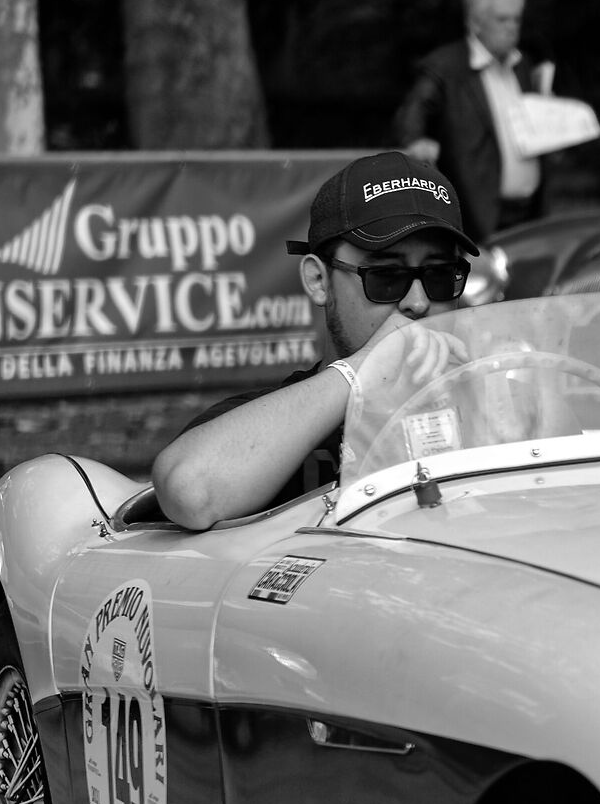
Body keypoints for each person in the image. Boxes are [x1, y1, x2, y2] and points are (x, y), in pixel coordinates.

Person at [150, 152, 479, 530]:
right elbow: (190, 491)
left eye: (440, 275)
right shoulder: (267, 422)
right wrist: (364, 369)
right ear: (319, 281)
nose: (418, 302)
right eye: (386, 276)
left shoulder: (496, 401)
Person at [395, 0, 555, 242]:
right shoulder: (447, 67)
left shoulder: (524, 65)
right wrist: (415, 141)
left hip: (531, 211)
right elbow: (413, 112)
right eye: (502, 20)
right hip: (476, 215)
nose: (512, 28)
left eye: (516, 19)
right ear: (475, 22)